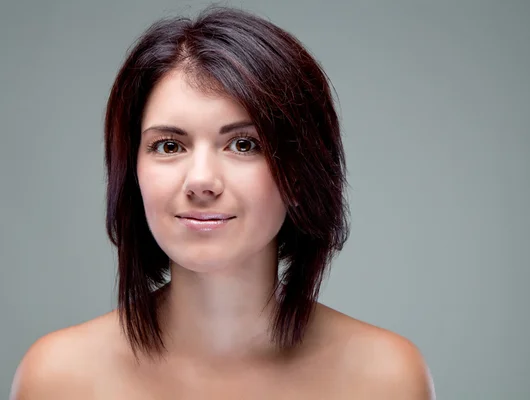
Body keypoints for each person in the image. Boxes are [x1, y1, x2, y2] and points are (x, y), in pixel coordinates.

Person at [10, 6, 435, 399]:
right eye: (169, 145)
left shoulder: (387, 378)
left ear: (301, 170)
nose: (201, 182)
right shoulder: (56, 378)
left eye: (244, 144)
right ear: (130, 170)